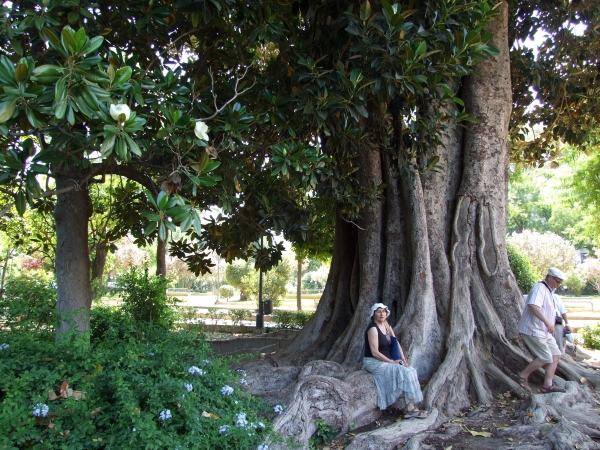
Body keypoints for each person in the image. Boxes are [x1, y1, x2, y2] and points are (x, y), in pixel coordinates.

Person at [363, 303, 428, 418]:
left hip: (387, 360)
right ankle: (410, 409)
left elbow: (395, 342)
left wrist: (403, 360)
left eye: (384, 311)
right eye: (378, 311)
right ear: (373, 314)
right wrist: (391, 362)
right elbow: (375, 353)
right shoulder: (373, 328)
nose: (382, 314)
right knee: (405, 373)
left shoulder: (387, 325)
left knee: (410, 370)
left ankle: (410, 406)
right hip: (374, 362)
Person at [516, 267, 567, 393]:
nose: (559, 285)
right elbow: (533, 305)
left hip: (545, 331)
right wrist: (547, 322)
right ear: (550, 277)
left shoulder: (550, 291)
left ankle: (548, 385)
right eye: (557, 281)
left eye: (560, 282)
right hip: (533, 329)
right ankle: (522, 376)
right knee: (545, 357)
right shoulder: (539, 287)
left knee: (556, 354)